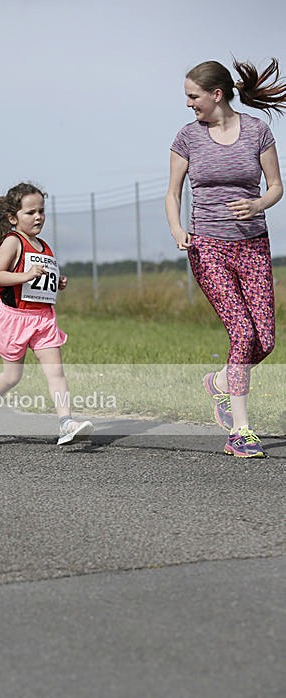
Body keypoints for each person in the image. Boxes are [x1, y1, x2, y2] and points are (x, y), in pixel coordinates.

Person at [165, 58, 286, 458]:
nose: (188, 103)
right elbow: (173, 192)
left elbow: (275, 188)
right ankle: (241, 430)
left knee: (265, 340)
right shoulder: (187, 138)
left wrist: (257, 204)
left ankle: (219, 382)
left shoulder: (256, 131)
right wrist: (178, 229)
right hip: (208, 246)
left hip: (253, 244)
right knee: (243, 334)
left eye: (193, 96)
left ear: (217, 95)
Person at [0, 182, 93, 446]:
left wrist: (56, 282)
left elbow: (39, 283)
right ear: (13, 218)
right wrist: (25, 275)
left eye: (41, 211)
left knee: (56, 372)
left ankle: (66, 423)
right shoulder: (13, 242)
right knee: (13, 376)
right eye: (30, 212)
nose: (38, 217)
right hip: (14, 319)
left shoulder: (44, 246)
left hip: (44, 318)